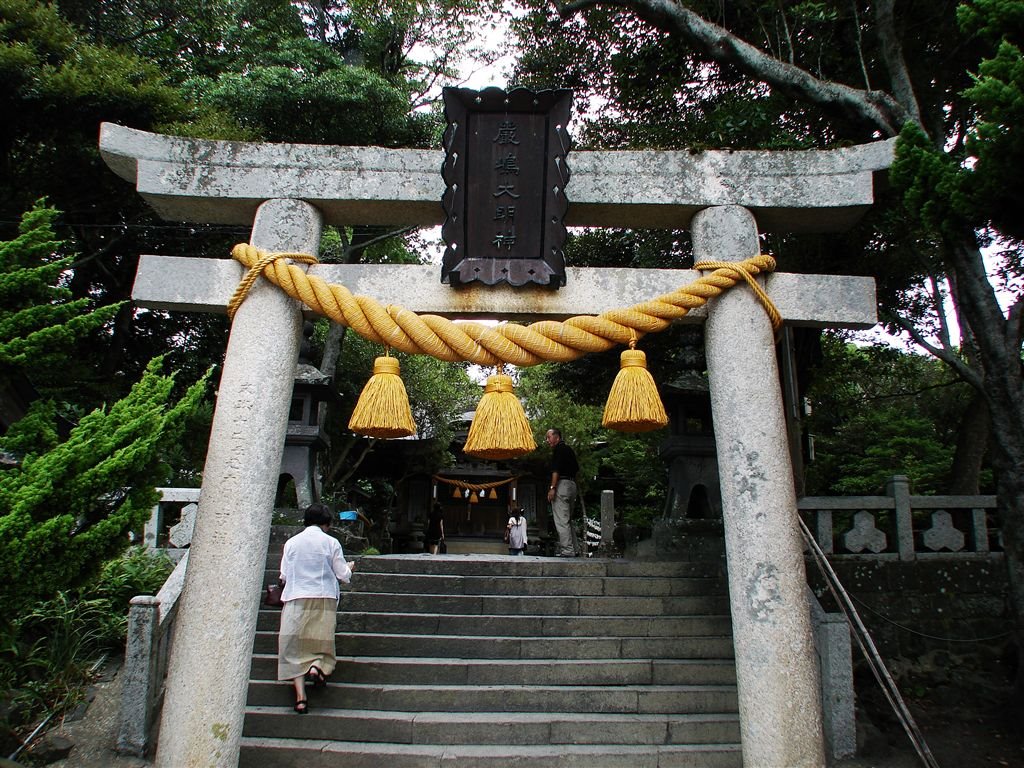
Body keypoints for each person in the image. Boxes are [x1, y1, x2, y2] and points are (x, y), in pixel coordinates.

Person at [277, 503, 355, 714]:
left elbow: (284, 575)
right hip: (323, 597)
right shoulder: (330, 542)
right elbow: (342, 575)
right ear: (326, 523)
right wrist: (349, 568)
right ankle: (316, 666)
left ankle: (301, 698)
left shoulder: (291, 543)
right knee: (321, 642)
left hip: (295, 597)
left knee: (293, 648)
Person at [545, 428, 580, 557]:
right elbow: (576, 470)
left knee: (561, 519)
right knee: (568, 519)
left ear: (557, 437)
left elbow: (556, 470)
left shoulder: (558, 450)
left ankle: (567, 550)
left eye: (549, 437)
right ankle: (575, 549)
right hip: (572, 485)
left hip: (562, 484)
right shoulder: (569, 450)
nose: (547, 440)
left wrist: (552, 488)